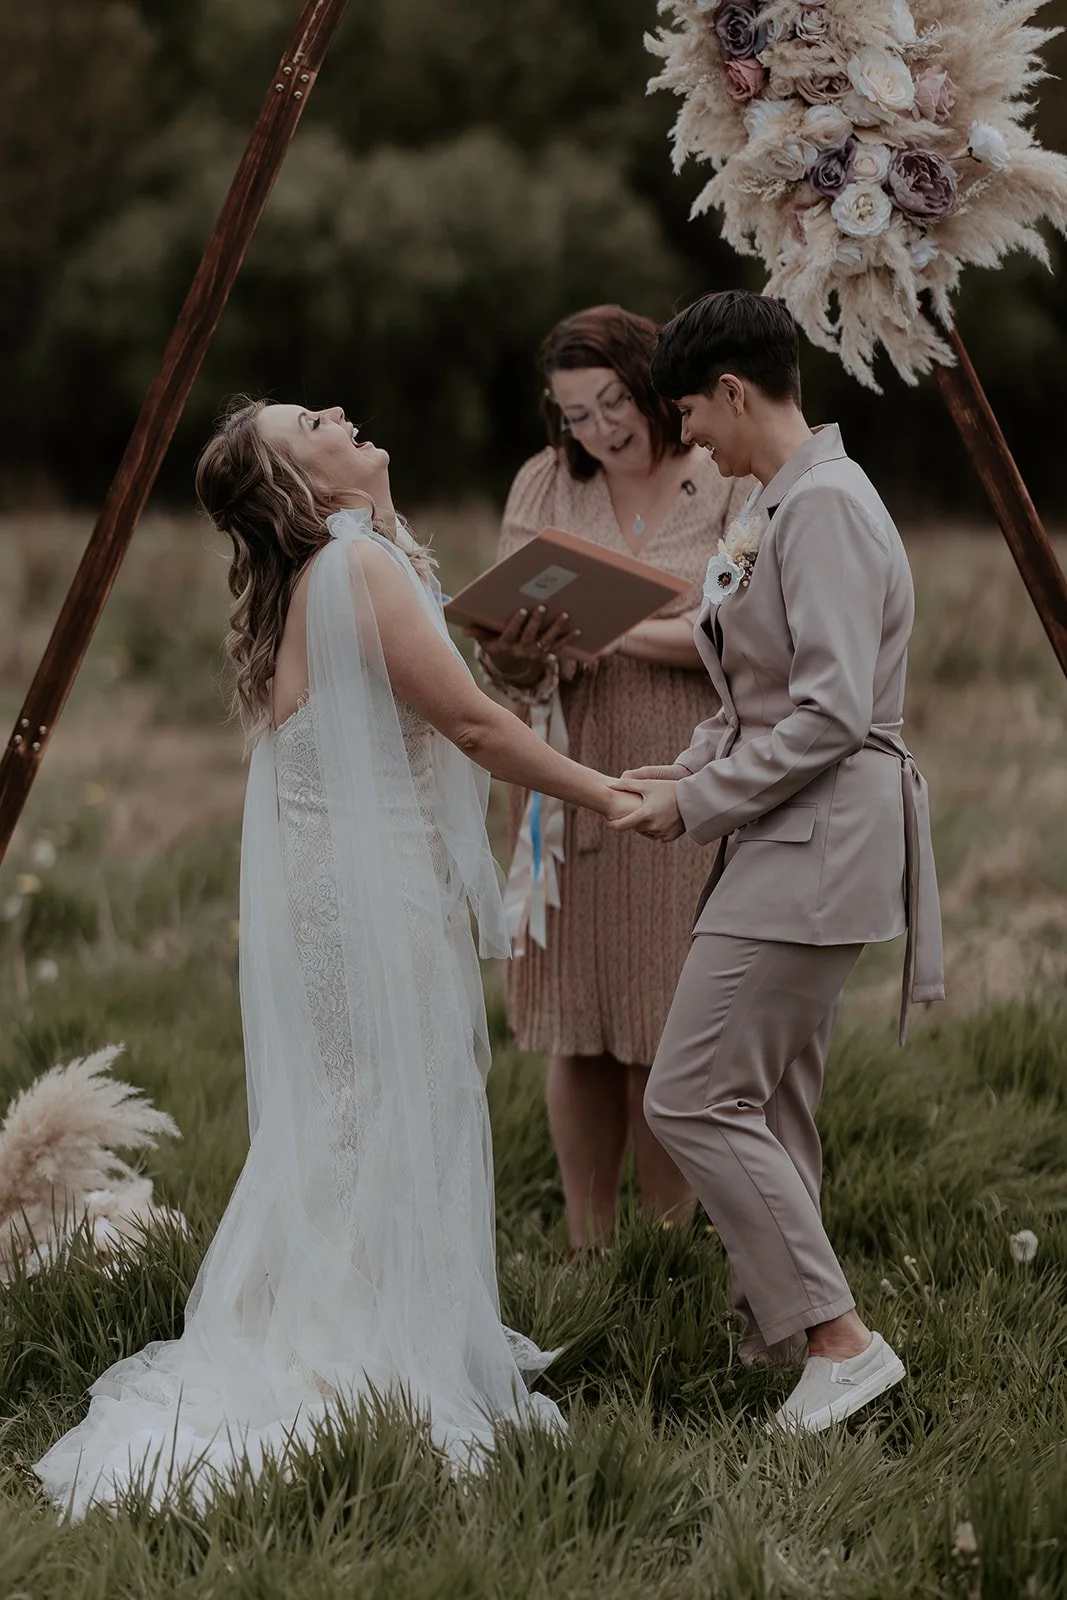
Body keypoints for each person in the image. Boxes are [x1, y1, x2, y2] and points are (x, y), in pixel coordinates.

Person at [34, 400, 641, 1516]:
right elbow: (467, 727)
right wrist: (613, 794)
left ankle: (359, 1321)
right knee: (390, 1103)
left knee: (359, 1111)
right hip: (371, 896)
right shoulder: (354, 564)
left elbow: (440, 714)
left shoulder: (342, 569)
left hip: (345, 888)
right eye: (309, 420)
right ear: (294, 484)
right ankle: (365, 1356)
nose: (341, 413)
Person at [612, 291, 944, 1433]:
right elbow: (758, 694)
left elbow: (830, 712)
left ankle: (838, 1343)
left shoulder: (824, 511)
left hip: (819, 839)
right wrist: (677, 769)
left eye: (691, 414)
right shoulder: (776, 503)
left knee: (692, 1092)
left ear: (736, 393)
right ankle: (778, 1337)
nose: (689, 438)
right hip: (785, 830)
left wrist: (697, 803)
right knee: (769, 1096)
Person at [471, 305, 751, 1251]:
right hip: (567, 769)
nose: (596, 430)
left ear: (648, 382)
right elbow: (505, 667)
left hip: (683, 771)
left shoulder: (720, 477)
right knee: (581, 1025)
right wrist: (518, 653)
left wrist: (614, 627)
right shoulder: (544, 485)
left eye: (609, 403)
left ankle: (668, 1247)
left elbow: (744, 630)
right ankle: (591, 1249)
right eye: (573, 414)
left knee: (663, 1025)